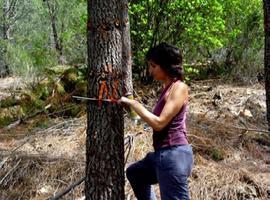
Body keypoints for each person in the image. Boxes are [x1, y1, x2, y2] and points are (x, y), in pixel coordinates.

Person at [118, 42, 194, 200]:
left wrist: (135, 104)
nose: (150, 70)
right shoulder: (166, 89)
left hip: (173, 154)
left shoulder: (179, 87)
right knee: (135, 173)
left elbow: (159, 123)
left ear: (165, 66)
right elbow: (148, 119)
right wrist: (132, 109)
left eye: (153, 66)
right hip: (163, 155)